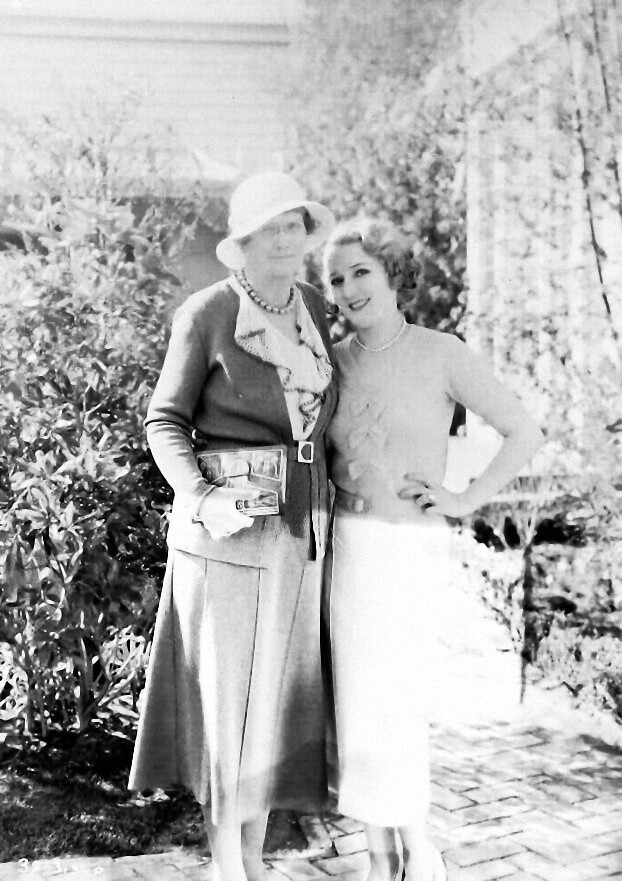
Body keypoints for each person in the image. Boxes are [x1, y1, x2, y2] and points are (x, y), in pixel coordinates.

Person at [128, 172, 337, 881]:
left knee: (271, 709)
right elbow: (164, 421)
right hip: (227, 541)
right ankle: (228, 863)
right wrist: (199, 494)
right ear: (242, 243)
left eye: (293, 226)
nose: (283, 240)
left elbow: (321, 421)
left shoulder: (313, 307)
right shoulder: (208, 313)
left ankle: (251, 855)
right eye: (268, 229)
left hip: (300, 536)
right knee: (229, 713)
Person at [322, 218, 544, 881]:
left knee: (398, 700)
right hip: (347, 549)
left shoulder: (442, 352)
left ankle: (417, 845)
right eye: (336, 279)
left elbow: (523, 431)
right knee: (357, 705)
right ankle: (379, 851)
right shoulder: (329, 362)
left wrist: (464, 498)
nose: (348, 288)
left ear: (394, 272)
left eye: (361, 271)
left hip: (410, 550)